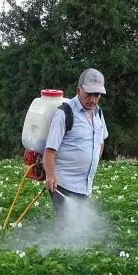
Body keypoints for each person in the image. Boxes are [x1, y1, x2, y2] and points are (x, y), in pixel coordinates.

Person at [43, 68, 109, 231]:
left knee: (76, 224)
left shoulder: (99, 113)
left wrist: (92, 164)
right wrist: (50, 176)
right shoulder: (64, 114)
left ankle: (64, 251)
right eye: (89, 94)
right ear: (79, 89)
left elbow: (100, 141)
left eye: (97, 95)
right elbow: (49, 150)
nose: (93, 100)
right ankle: (58, 252)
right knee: (69, 224)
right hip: (64, 182)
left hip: (85, 184)